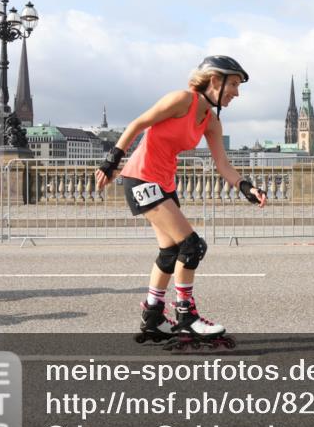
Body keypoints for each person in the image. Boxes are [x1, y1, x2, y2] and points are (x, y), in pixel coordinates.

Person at [95, 55, 266, 345]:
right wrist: (111, 162)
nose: (236, 93)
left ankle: (153, 316)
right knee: (191, 245)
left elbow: (223, 164)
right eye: (234, 85)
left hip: (164, 183)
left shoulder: (210, 122)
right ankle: (186, 316)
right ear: (215, 80)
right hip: (142, 178)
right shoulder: (181, 100)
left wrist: (245, 186)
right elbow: (138, 124)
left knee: (171, 252)